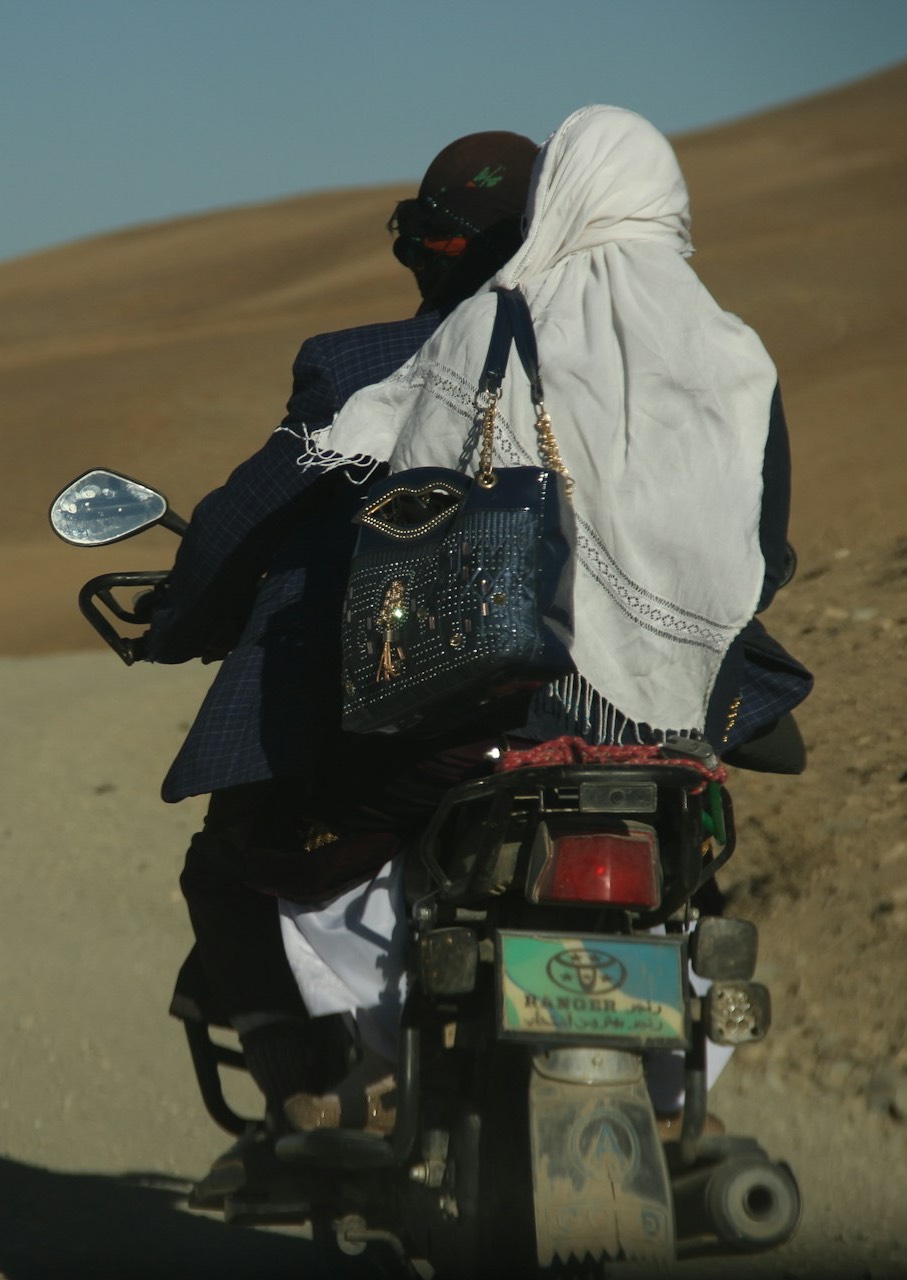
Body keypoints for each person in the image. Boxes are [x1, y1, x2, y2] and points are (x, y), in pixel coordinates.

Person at [148, 108, 812, 1165]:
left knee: (270, 847)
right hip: (671, 738)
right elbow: (763, 554)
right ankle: (675, 1089)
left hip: (486, 716)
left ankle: (326, 1080)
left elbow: (402, 515)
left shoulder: (481, 335)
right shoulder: (735, 357)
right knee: (691, 874)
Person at [146, 130, 544, 1151]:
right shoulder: (636, 367)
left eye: (422, 237)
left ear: (430, 249)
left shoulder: (364, 365)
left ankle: (309, 1100)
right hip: (616, 725)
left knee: (233, 857)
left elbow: (250, 512)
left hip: (422, 726)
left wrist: (182, 613)